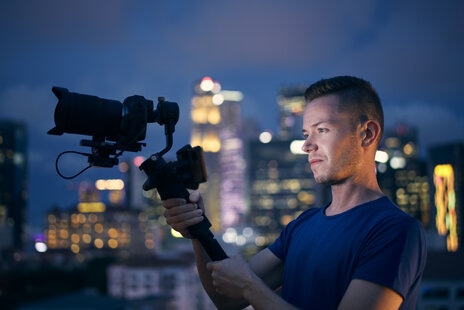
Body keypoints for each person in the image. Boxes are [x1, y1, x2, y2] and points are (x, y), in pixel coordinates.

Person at [162, 75, 427, 309]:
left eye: (322, 130)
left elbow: (244, 287)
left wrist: (249, 288)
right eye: (305, 133)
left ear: (367, 134)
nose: (306, 146)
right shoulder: (303, 225)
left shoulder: (395, 230)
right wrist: (197, 230)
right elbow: (228, 299)